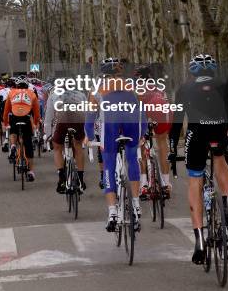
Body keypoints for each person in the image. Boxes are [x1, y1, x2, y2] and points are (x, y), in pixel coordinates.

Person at [169, 54, 228, 265]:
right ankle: (227, 203)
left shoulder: (184, 89)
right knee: (220, 159)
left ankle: (199, 240)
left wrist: (172, 148)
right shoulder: (223, 84)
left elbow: (177, 122)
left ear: (192, 71)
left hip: (196, 134)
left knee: (195, 180)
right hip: (219, 131)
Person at [85, 60, 146, 232]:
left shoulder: (97, 88)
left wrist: (89, 138)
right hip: (133, 125)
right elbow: (142, 112)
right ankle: (136, 205)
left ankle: (112, 212)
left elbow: (90, 119)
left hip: (110, 126)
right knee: (132, 158)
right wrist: (143, 133)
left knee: (109, 164)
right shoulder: (132, 85)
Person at [134, 64, 173, 200]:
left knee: (142, 143)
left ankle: (144, 184)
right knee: (162, 144)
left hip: (146, 111)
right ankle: (166, 184)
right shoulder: (160, 86)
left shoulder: (137, 88)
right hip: (164, 111)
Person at [44, 82, 87, 193]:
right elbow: (87, 112)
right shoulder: (81, 94)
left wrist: (48, 135)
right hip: (79, 119)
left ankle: (62, 180)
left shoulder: (54, 95)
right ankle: (81, 180)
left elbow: (48, 117)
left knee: (57, 147)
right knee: (78, 146)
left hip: (63, 119)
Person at [3, 80, 40, 182]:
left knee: (13, 131)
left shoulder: (11, 92)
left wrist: (6, 123)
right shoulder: (31, 93)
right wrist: (36, 124)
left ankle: (13, 146)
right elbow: (36, 112)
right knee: (28, 143)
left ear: (16, 87)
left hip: (15, 116)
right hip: (26, 117)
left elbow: (6, 111)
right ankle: (31, 172)